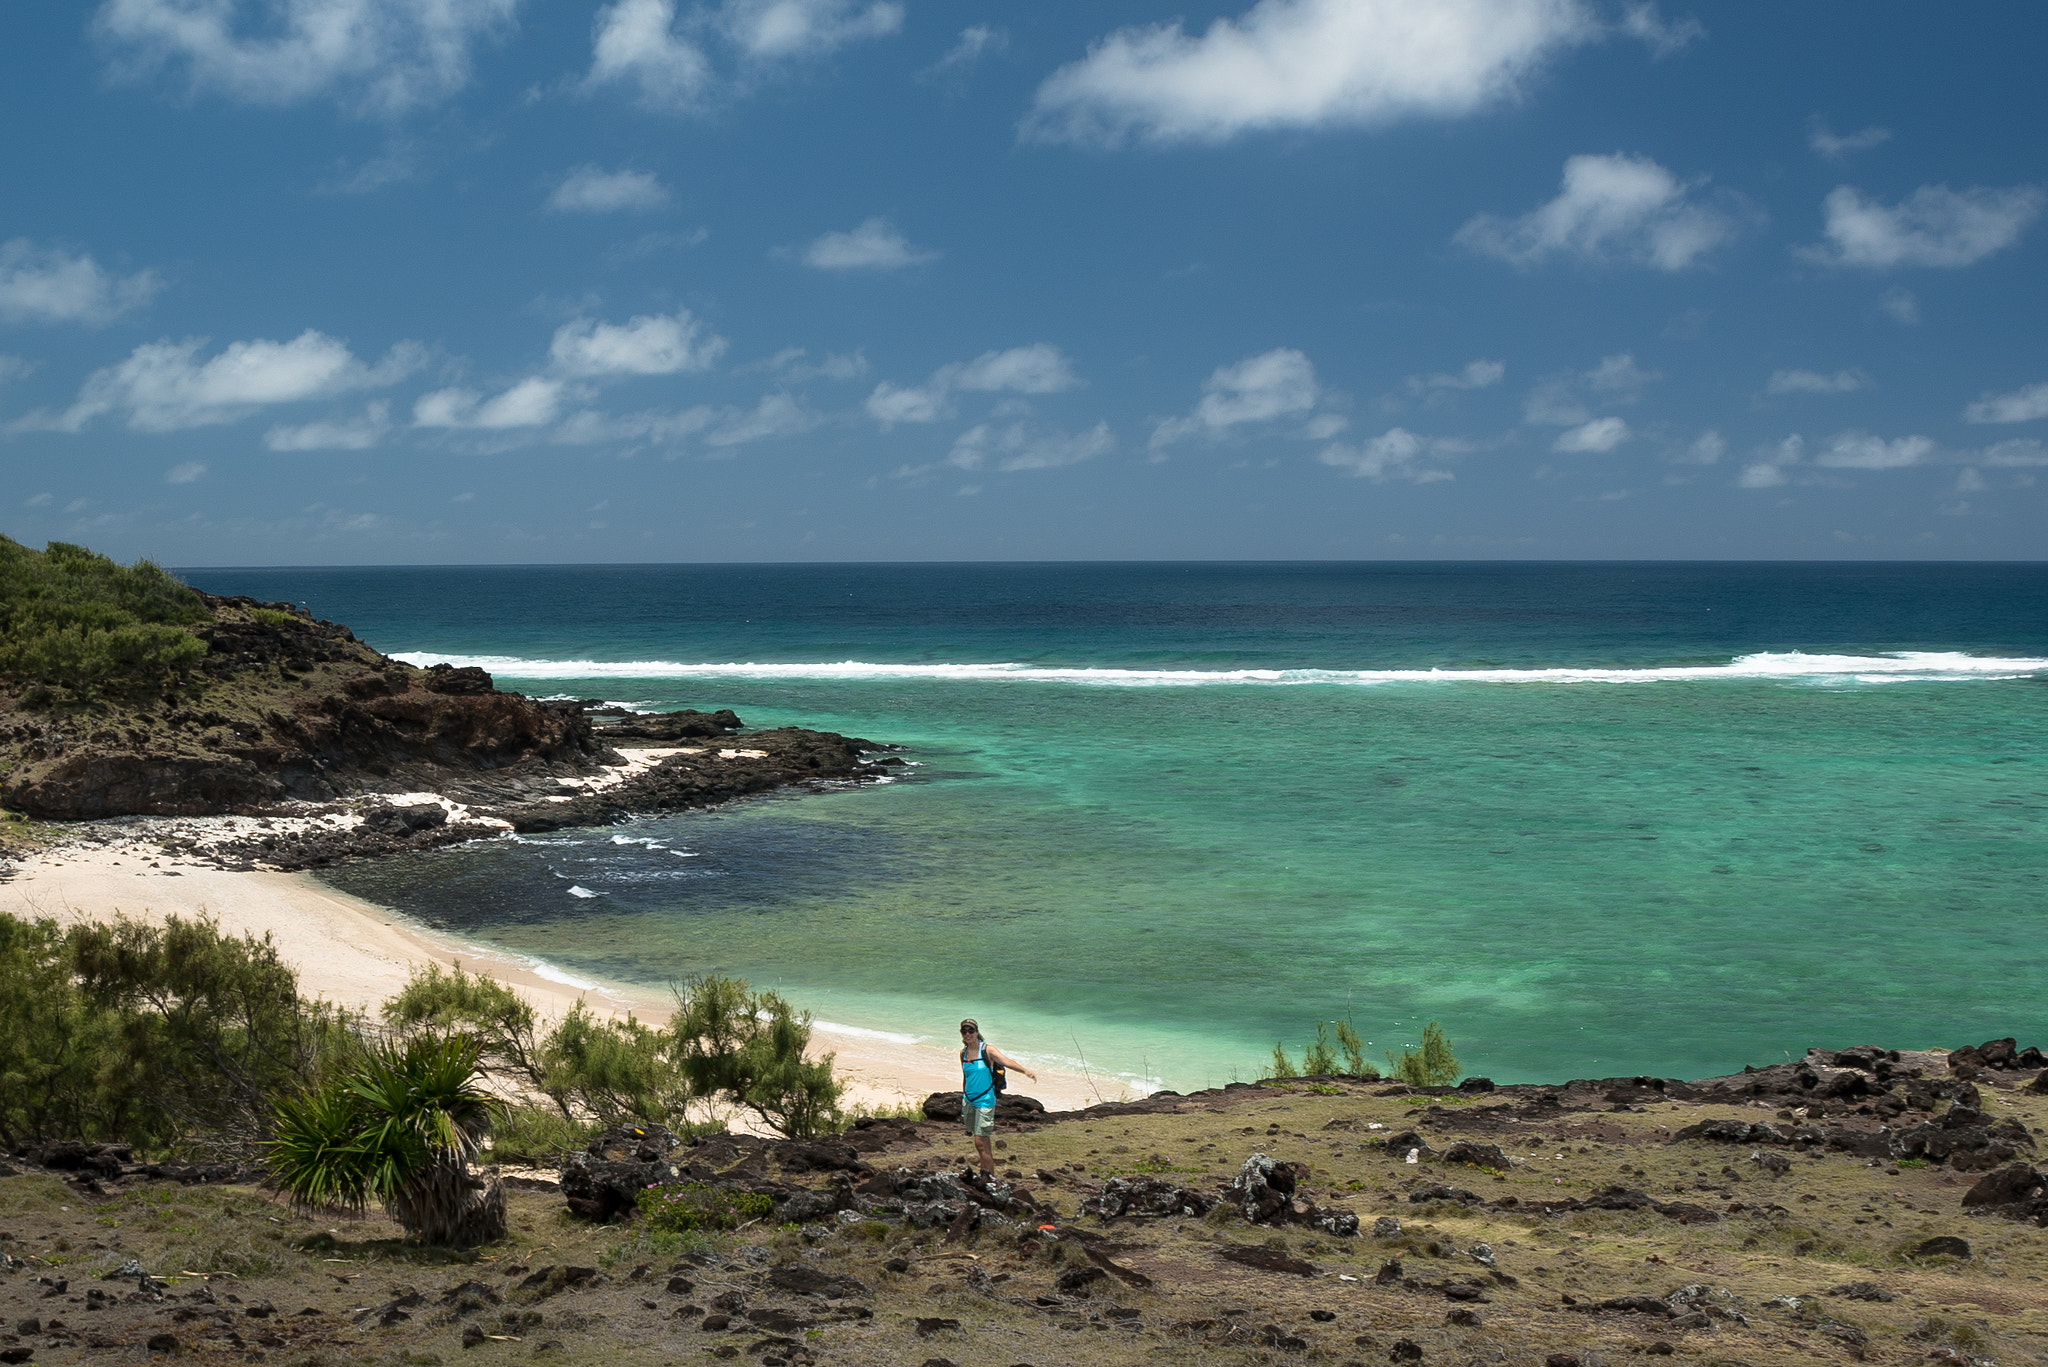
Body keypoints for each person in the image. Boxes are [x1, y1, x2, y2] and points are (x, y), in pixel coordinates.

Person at [959, 1018, 1036, 1179]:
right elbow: (966, 1077)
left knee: (980, 1142)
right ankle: (988, 1177)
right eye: (964, 1031)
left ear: (977, 1032)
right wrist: (964, 1096)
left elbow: (1006, 1061)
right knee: (982, 1143)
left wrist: (1025, 1071)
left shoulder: (987, 1050)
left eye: (971, 1030)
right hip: (969, 1101)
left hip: (985, 1100)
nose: (968, 1034)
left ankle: (987, 1178)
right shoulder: (963, 1053)